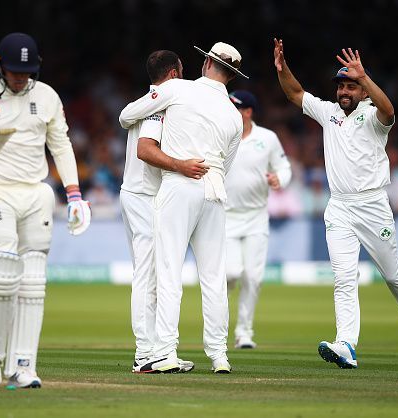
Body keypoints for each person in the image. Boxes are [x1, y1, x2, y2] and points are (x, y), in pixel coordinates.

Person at [273, 38, 398, 368]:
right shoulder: (329, 113)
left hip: (372, 205)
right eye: (341, 86)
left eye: (351, 87)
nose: (344, 92)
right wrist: (282, 68)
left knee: (392, 274)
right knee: (344, 278)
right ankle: (346, 344)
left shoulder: (373, 116)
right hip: (340, 206)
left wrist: (365, 77)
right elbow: (295, 94)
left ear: (363, 92)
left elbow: (390, 111)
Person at [0, 33, 91, 388]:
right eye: (13, 71)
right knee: (1, 266)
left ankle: (24, 363)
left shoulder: (47, 97)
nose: (20, 78)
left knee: (33, 280)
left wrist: (74, 195)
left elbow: (61, 145)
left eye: (26, 72)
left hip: (36, 192)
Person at [119, 42, 246, 373]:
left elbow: (126, 116)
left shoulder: (177, 89)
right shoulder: (234, 114)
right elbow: (227, 164)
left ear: (206, 63)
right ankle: (219, 355)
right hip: (214, 188)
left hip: (178, 186)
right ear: (232, 76)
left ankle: (165, 351)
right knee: (214, 276)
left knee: (168, 271)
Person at [120, 50, 204, 373]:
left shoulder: (152, 102)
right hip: (143, 195)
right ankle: (145, 354)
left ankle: (155, 351)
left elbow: (125, 115)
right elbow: (140, 141)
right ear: (173, 74)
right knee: (148, 275)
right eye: (181, 72)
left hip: (139, 194)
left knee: (153, 274)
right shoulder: (159, 106)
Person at [225, 90, 292, 349]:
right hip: (225, 217)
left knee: (253, 277)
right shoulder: (220, 136)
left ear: (248, 112)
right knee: (231, 273)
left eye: (235, 108)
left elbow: (283, 167)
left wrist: (279, 179)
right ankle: (220, 309)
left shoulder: (267, 138)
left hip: (256, 217)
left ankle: (244, 332)